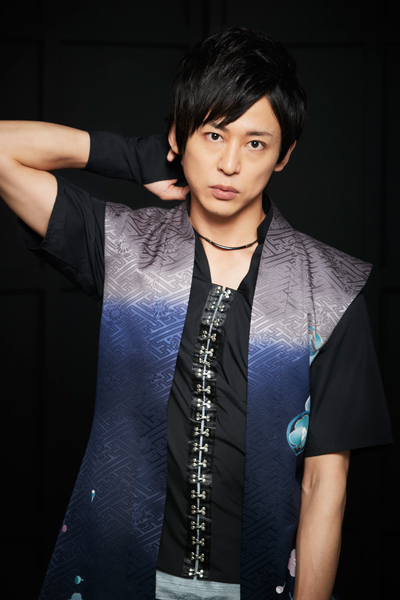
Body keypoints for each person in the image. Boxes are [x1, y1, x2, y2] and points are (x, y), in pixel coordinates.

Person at [0, 27, 393, 600]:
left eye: (255, 143)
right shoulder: (122, 246)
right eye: (212, 134)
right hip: (117, 573)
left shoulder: (330, 291)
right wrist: (133, 156)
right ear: (181, 136)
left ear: (284, 155)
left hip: (255, 584)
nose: (229, 163)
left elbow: (324, 487)